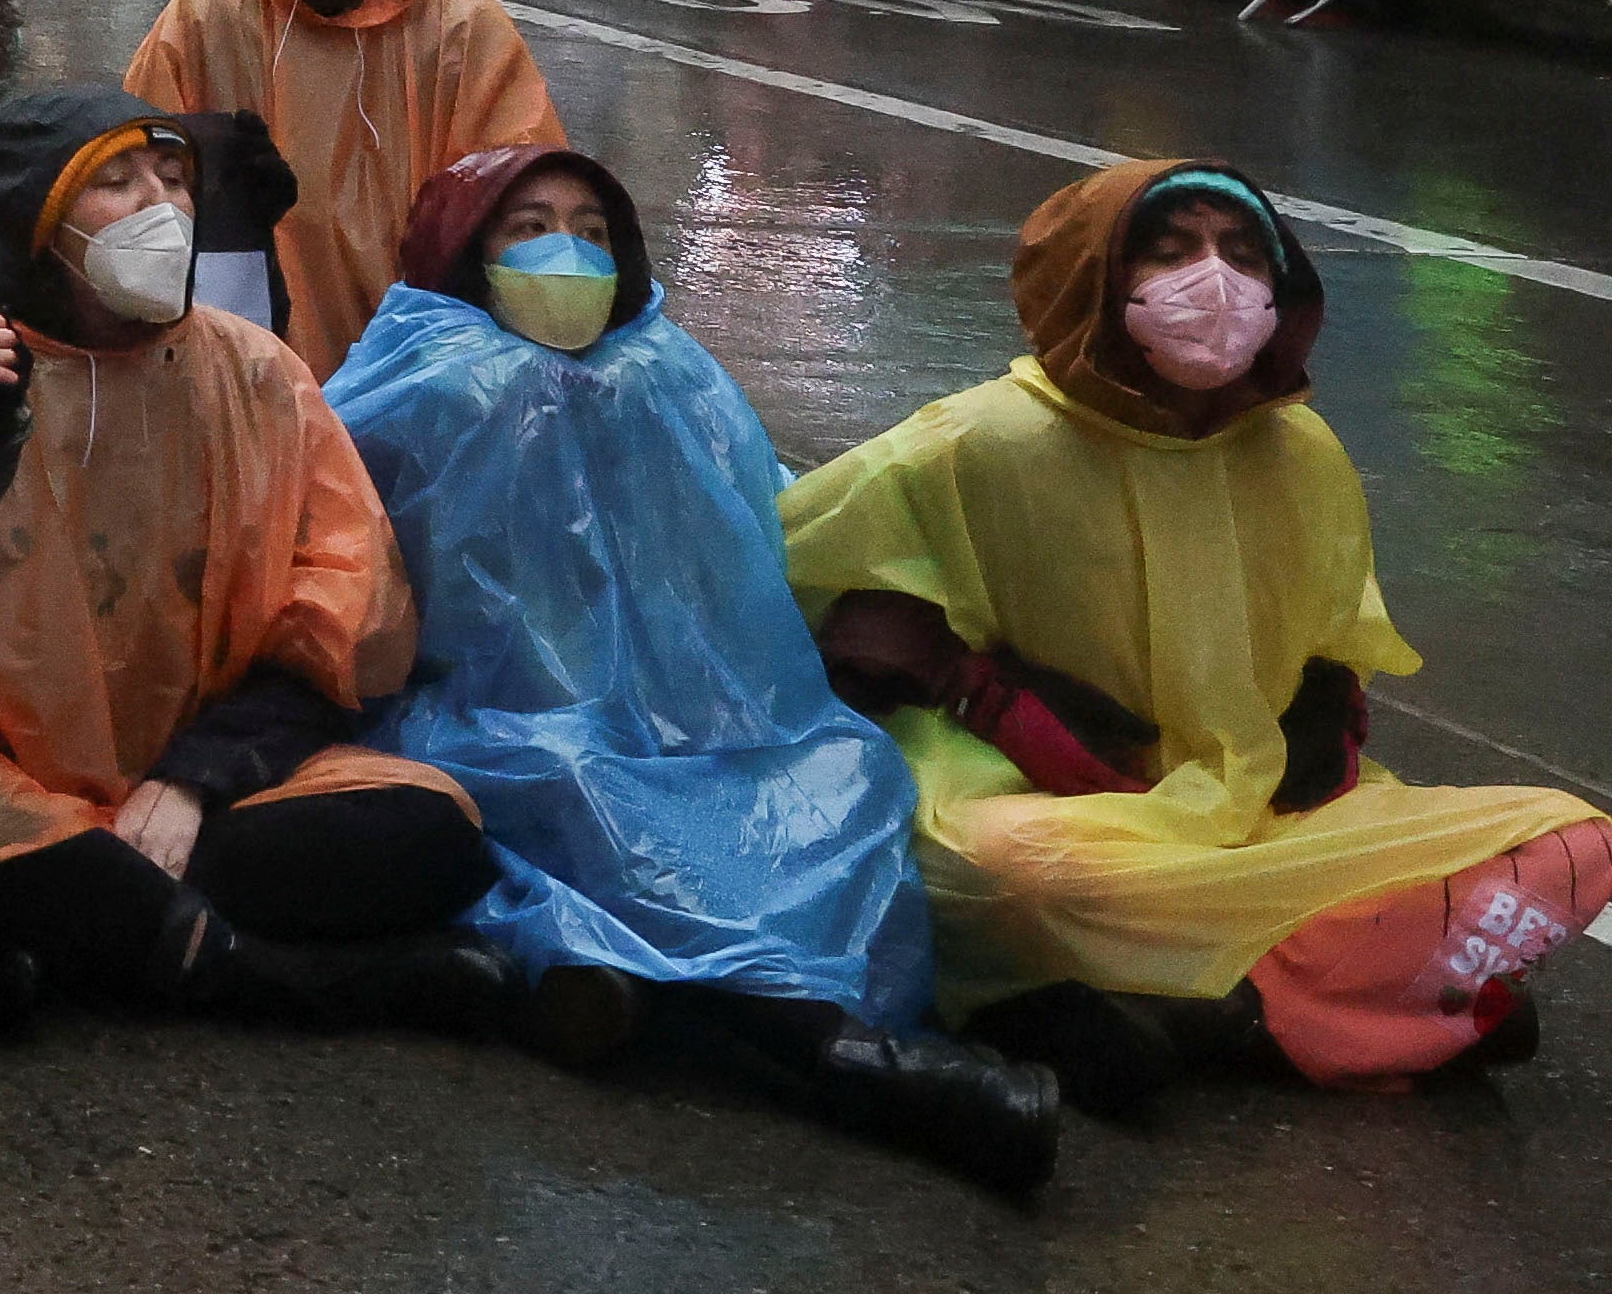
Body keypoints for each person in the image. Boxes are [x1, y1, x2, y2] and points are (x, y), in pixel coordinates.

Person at [786, 164, 1608, 1105]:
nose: (1215, 283)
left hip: (1256, 809)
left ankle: (1215, 1002)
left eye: (1243, 254)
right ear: (1091, 283)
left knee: (1572, 842)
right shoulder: (976, 444)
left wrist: (1322, 723)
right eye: (1171, 254)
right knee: (1016, 875)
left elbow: (1338, 639)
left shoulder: (1303, 453)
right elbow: (813, 585)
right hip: (1060, 811)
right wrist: (980, 691)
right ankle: (1366, 997)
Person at [329, 147, 1057, 1191]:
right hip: (509, 727)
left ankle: (624, 992)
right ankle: (856, 1061)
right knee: (618, 837)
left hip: (710, 721)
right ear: (467, 252)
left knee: (846, 787)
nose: (565, 251)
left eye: (589, 226)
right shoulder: (426, 382)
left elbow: (765, 518)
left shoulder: (671, 371)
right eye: (526, 225)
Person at [0, 93, 520, 1039]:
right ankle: (302, 981)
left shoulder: (254, 371)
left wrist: (193, 778)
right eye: (116, 182)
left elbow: (343, 610)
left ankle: (94, 936)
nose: (163, 207)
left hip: (207, 790)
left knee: (437, 831)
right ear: (38, 217)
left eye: (175, 179)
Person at [121, 0, 561, 372]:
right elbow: (126, 199)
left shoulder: (465, 31)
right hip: (244, 391)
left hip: (424, 389)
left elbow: (531, 219)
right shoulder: (203, 21)